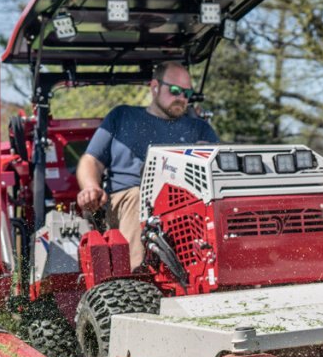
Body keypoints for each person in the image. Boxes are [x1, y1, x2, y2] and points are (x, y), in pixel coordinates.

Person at [75, 61, 217, 270]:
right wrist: (90, 187)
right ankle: (138, 277)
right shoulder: (123, 116)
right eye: (175, 90)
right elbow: (91, 160)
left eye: (187, 93)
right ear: (154, 87)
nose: (181, 98)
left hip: (183, 202)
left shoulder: (200, 129)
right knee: (141, 196)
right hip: (128, 200)